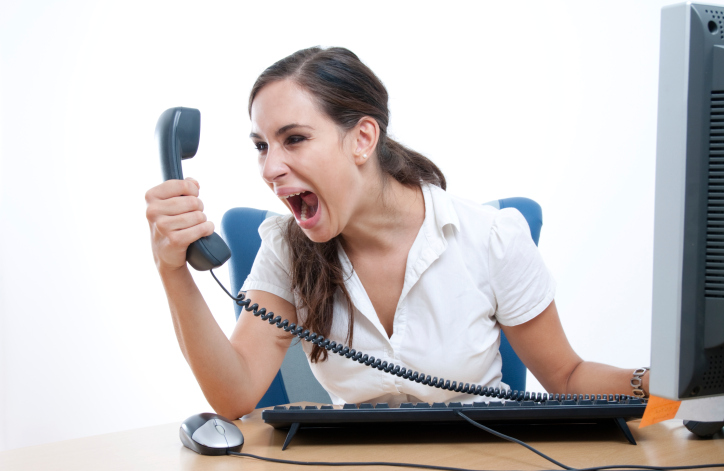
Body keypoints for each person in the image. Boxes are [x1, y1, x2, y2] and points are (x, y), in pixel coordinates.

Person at [145, 46, 649, 419]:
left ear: (362, 138)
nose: (270, 169)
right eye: (261, 146)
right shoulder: (287, 249)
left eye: (293, 139)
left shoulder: (490, 237)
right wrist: (172, 269)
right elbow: (233, 396)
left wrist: (658, 385)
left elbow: (567, 377)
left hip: (481, 464)